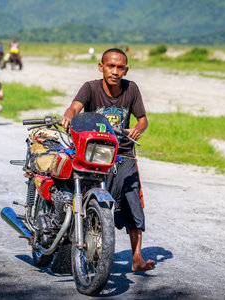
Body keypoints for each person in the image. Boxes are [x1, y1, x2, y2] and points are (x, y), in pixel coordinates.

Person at [61, 48, 155, 272]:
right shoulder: (90, 87)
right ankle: (77, 246)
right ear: (101, 67)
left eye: (120, 67)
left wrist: (136, 129)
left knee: (133, 204)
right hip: (95, 152)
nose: (115, 71)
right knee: (83, 198)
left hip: (123, 153)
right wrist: (68, 115)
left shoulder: (131, 89)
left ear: (126, 70)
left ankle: (137, 258)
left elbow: (143, 120)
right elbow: (75, 106)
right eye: (110, 66)